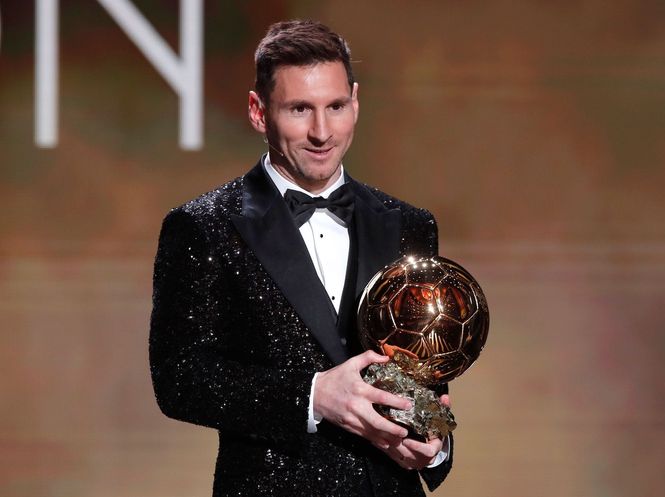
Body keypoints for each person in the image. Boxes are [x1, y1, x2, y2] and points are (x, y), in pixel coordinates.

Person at [149, 20, 453, 497]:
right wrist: (313, 397)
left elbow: (422, 372)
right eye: (299, 109)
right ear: (258, 111)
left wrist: (434, 445)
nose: (321, 132)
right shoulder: (204, 226)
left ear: (356, 101)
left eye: (335, 107)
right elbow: (181, 379)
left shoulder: (410, 224)